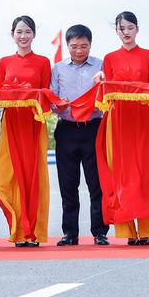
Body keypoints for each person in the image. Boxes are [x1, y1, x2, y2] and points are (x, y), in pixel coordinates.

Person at [97, 11, 149, 245]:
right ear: (116, 31)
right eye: (121, 28)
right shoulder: (110, 58)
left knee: (145, 173)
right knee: (121, 173)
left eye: (130, 27)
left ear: (137, 29)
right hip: (119, 120)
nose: (126, 32)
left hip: (143, 119)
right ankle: (127, 231)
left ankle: (145, 230)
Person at [0, 15, 52, 247]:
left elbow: (46, 93)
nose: (23, 36)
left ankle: (34, 233)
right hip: (11, 125)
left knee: (34, 175)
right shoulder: (4, 62)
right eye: (19, 32)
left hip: (34, 123)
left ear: (34, 35)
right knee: (8, 177)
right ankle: (18, 231)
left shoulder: (43, 62)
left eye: (27, 31)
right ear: (12, 35)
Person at [50, 25, 109, 246]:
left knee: (97, 183)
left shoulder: (102, 66)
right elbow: (52, 97)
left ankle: (100, 232)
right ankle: (70, 233)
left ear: (90, 44)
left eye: (83, 46)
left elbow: (107, 95)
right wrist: (59, 105)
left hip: (94, 127)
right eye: (74, 46)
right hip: (67, 129)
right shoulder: (58, 69)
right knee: (68, 183)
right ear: (67, 45)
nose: (79, 51)